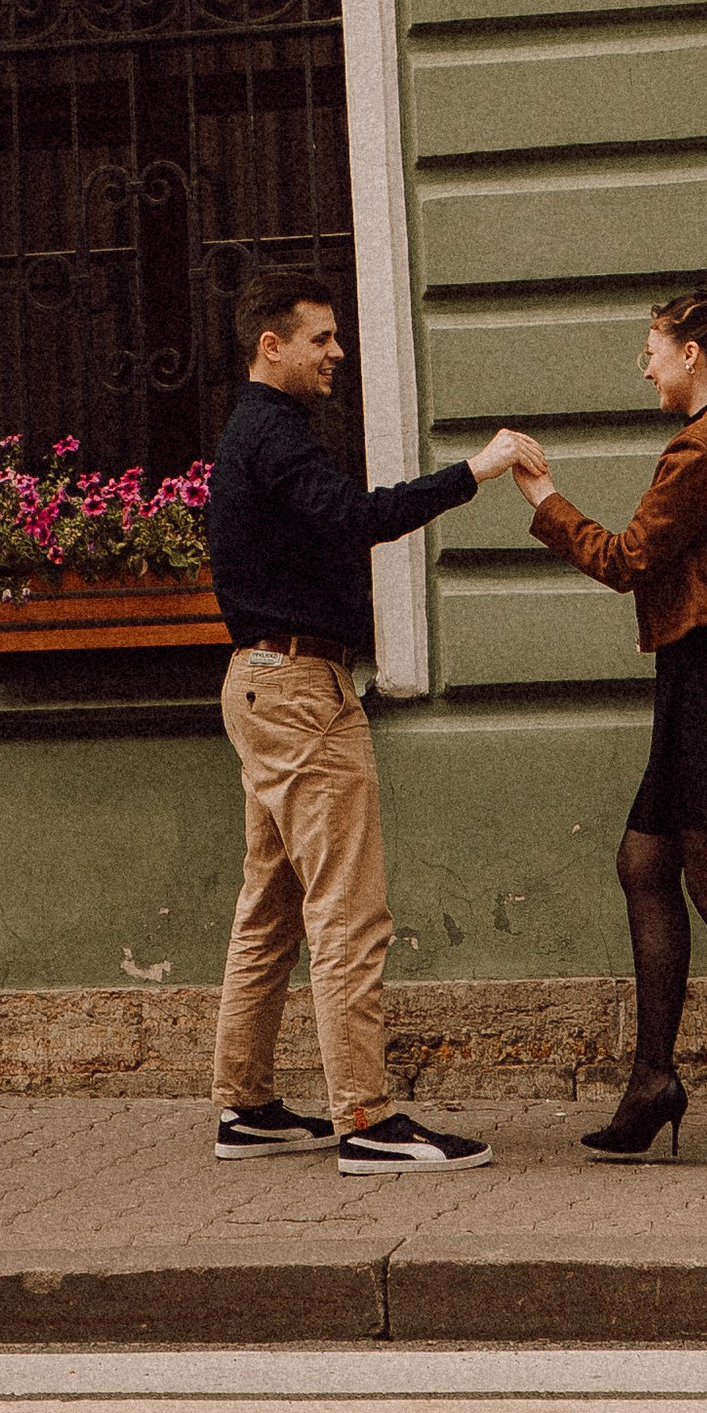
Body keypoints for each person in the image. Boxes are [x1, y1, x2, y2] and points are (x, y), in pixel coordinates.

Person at [206, 273, 546, 1173]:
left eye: (336, 337)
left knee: (271, 908)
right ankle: (364, 1120)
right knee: (347, 914)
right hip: (299, 693)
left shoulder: (257, 431)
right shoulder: (274, 434)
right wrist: (475, 471)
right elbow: (359, 518)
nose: (337, 353)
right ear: (270, 345)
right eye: (319, 338)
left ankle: (246, 1108)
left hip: (261, 683)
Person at [515, 282, 707, 1166]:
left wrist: (543, 495)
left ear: (694, 355)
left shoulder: (704, 448)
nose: (644, 362)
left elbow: (626, 560)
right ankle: (654, 1078)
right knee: (644, 860)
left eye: (651, 346)